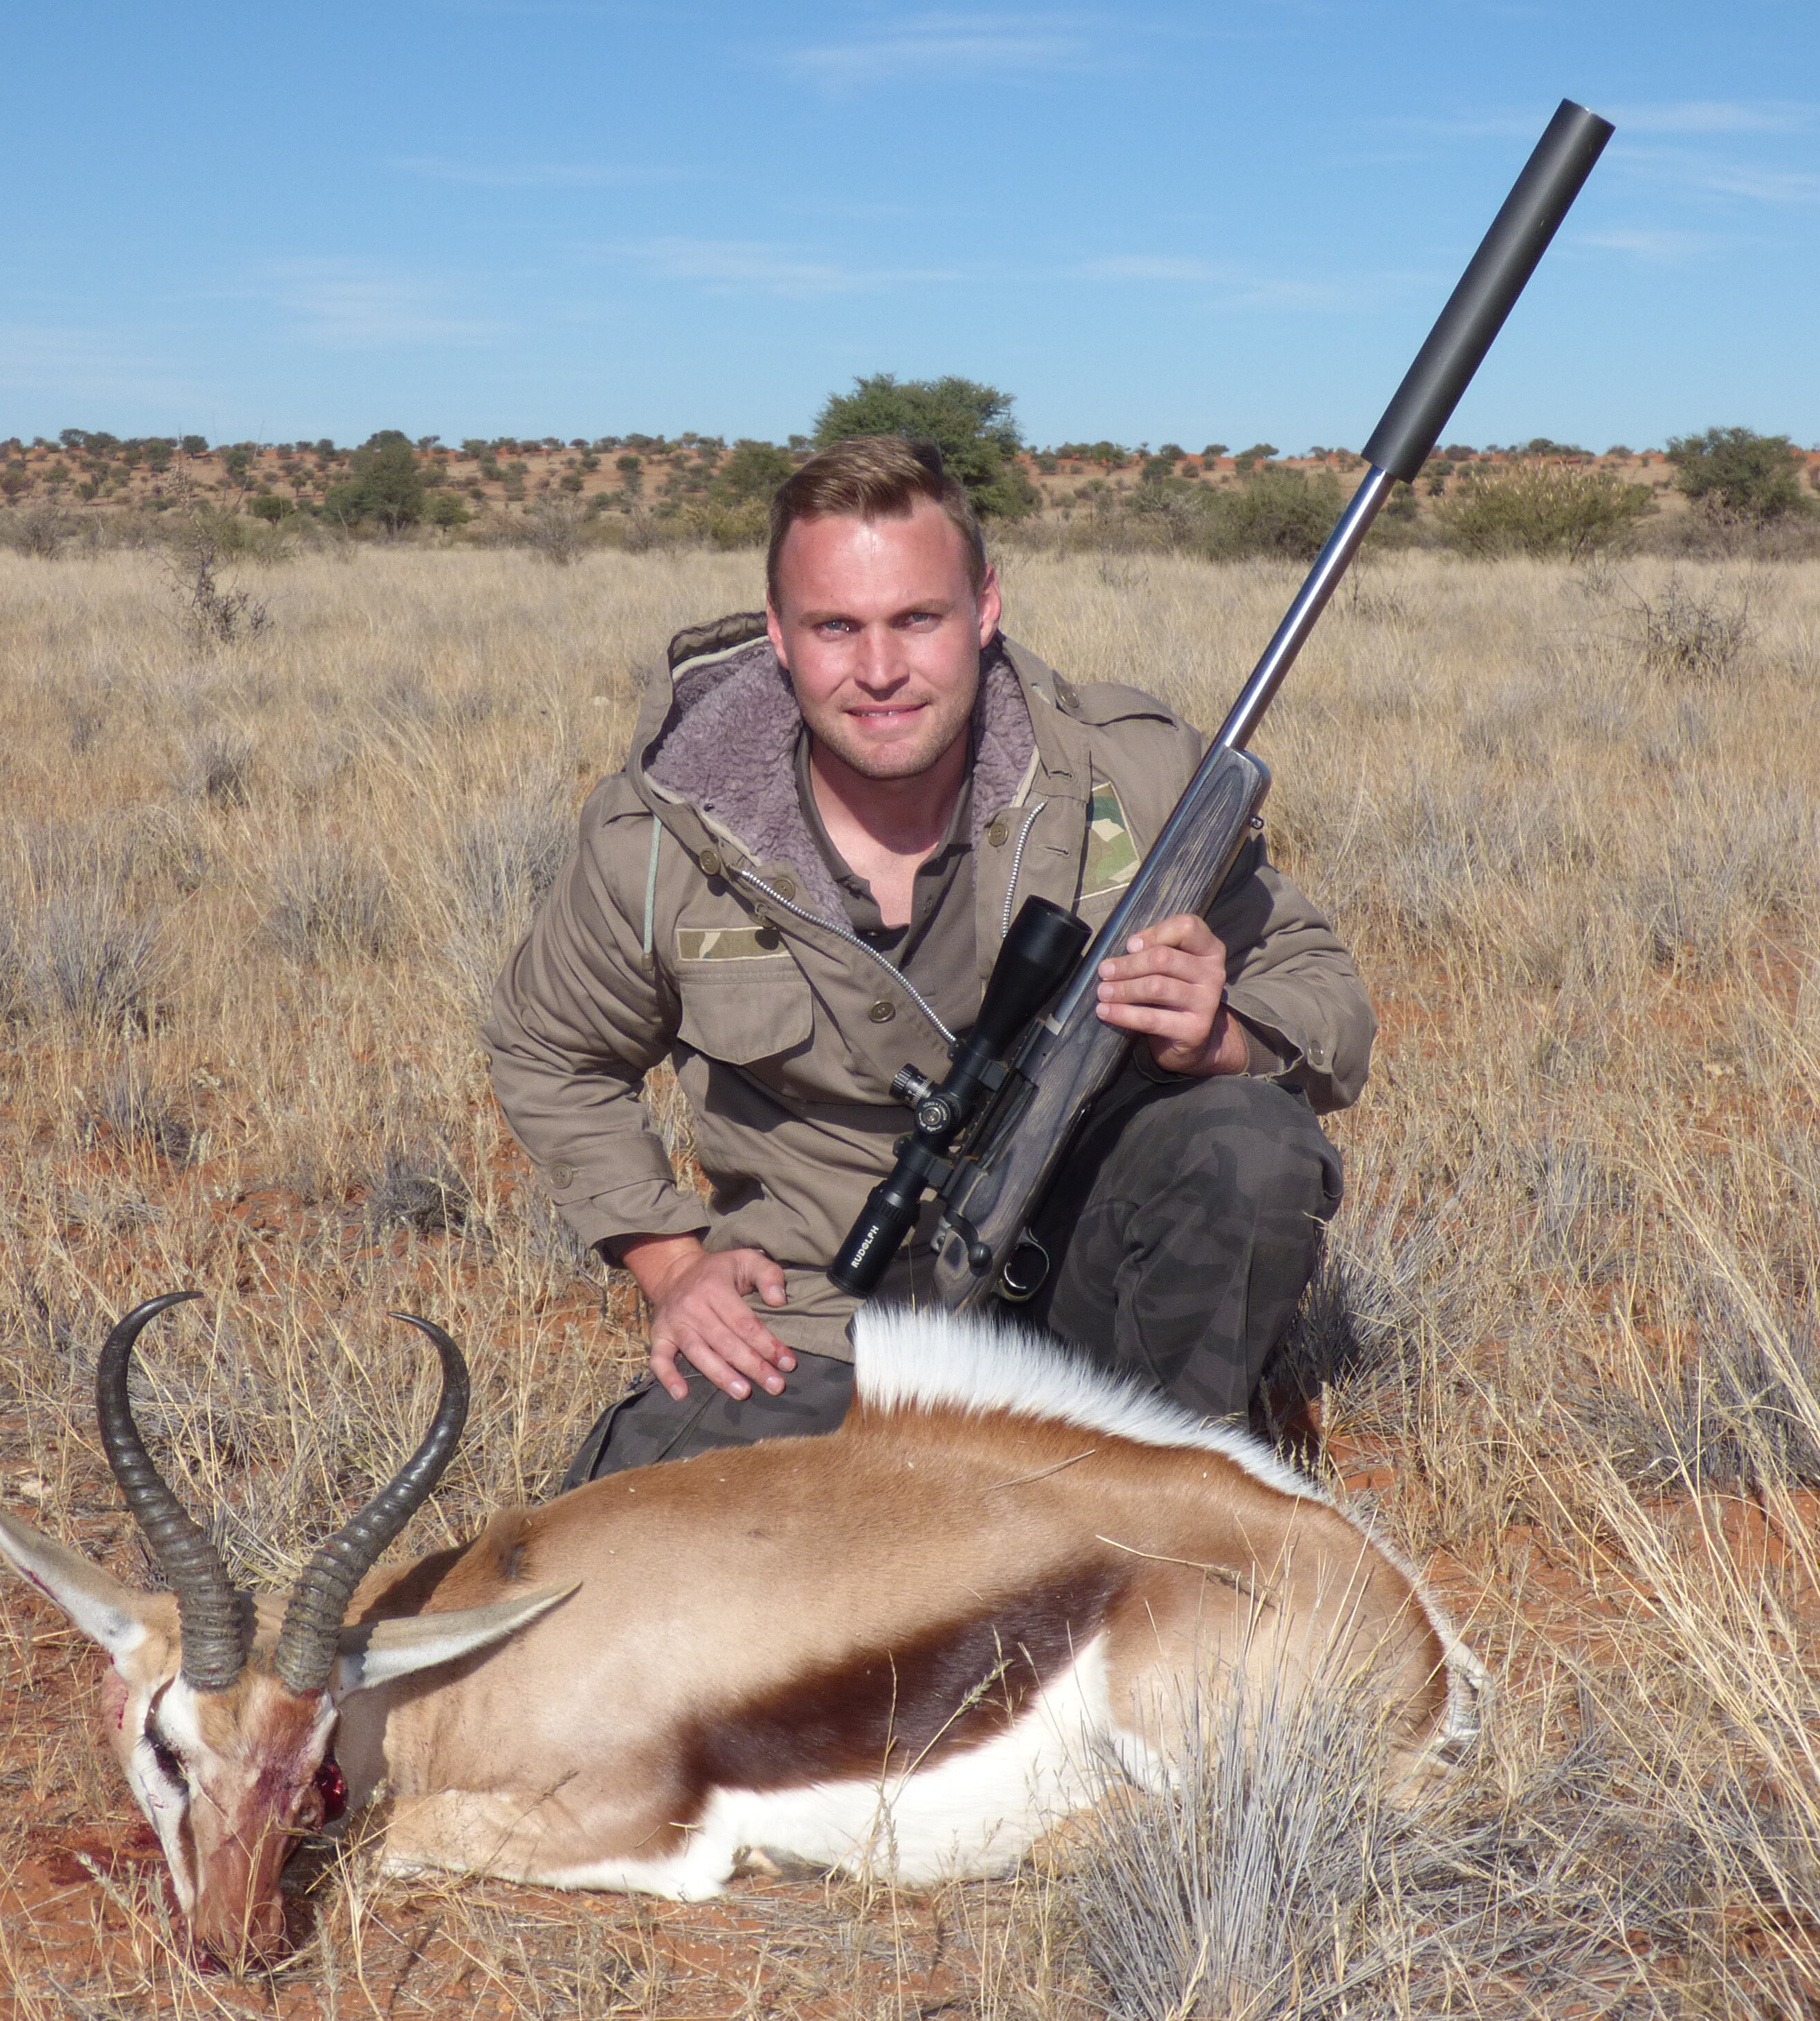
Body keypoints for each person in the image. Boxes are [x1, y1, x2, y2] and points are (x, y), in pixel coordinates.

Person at [484, 436, 1374, 1482]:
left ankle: (1160, 1506)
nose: (879, 671)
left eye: (917, 618)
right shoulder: (659, 835)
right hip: (817, 1313)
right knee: (623, 1564)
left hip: (1082, 1286)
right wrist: (673, 1263)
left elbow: (1323, 992)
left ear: (984, 607)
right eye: (834, 627)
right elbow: (549, 1053)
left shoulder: (1135, 770)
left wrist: (1224, 1035)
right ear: (778, 633)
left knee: (1251, 1140)